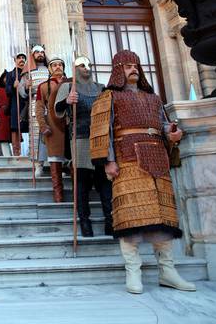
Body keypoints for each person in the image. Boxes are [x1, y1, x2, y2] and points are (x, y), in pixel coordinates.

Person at [90, 50, 196, 294]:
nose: (133, 69)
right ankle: (133, 272)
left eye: (135, 65)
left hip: (157, 158)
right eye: (127, 66)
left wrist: (172, 135)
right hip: (127, 160)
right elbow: (102, 132)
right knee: (130, 217)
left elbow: (162, 125)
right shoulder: (109, 97)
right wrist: (108, 161)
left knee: (162, 216)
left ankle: (167, 271)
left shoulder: (154, 98)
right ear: (118, 70)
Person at [54, 56, 113, 237]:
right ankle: (85, 222)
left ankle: (110, 221)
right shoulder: (67, 87)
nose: (86, 68)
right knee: (81, 183)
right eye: (81, 65)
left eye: (88, 65)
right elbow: (58, 110)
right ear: (75, 68)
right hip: (79, 139)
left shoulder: (101, 88)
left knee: (104, 182)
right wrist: (67, 101)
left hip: (101, 139)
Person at [35, 56, 69, 202]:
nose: (57, 67)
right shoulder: (43, 86)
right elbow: (39, 108)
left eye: (60, 65)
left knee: (74, 158)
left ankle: (78, 195)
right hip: (53, 125)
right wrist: (43, 125)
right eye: (54, 65)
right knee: (55, 159)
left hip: (71, 123)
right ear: (49, 69)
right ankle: (58, 195)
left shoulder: (73, 83)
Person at [20, 45, 50, 176]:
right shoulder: (27, 73)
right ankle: (39, 165)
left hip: (51, 105)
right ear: (32, 54)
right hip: (35, 104)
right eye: (37, 52)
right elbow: (21, 91)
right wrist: (26, 87)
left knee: (54, 135)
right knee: (37, 136)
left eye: (42, 52)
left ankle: (56, 165)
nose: (40, 54)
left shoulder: (50, 69)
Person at [5, 53, 28, 156]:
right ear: (15, 60)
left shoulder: (29, 73)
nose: (21, 60)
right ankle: (16, 153)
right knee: (15, 128)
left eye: (23, 58)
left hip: (27, 103)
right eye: (19, 58)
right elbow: (7, 91)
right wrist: (13, 87)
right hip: (16, 103)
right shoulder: (11, 74)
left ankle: (32, 151)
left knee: (30, 126)